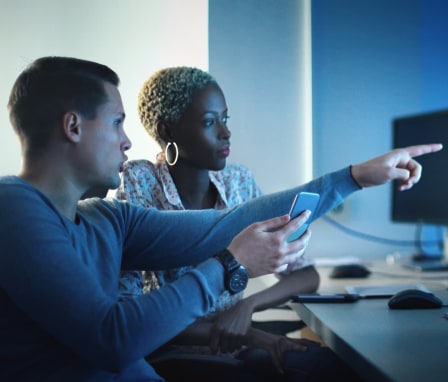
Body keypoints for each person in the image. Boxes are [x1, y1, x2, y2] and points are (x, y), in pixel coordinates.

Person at [0, 56, 441, 382]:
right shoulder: (13, 208)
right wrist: (231, 267)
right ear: (73, 127)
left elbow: (224, 226)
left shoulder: (105, 220)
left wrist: (355, 177)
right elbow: (114, 339)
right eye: (116, 123)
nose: (128, 141)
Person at [114, 66, 323, 377]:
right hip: (171, 355)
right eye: (210, 122)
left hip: (236, 345)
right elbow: (130, 314)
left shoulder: (238, 180)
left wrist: (245, 308)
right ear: (167, 131)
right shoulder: (139, 181)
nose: (225, 133)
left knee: (326, 364)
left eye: (225, 119)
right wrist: (251, 335)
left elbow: (306, 275)